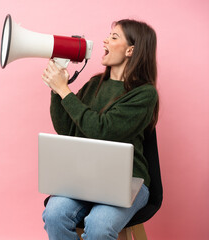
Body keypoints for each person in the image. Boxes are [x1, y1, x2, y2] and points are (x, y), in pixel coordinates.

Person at [41, 19, 159, 240]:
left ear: (131, 50)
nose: (105, 40)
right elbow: (67, 130)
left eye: (114, 37)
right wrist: (56, 91)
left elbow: (103, 130)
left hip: (128, 182)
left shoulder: (144, 94)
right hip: (86, 178)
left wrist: (64, 90)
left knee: (99, 226)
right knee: (54, 215)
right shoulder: (95, 84)